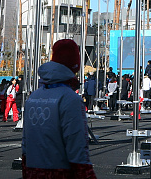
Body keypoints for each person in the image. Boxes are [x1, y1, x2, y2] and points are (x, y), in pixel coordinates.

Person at [21, 39, 95, 179]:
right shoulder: (70, 98)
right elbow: (77, 148)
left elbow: (25, 144)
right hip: (61, 171)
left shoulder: (34, 97)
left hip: (33, 170)